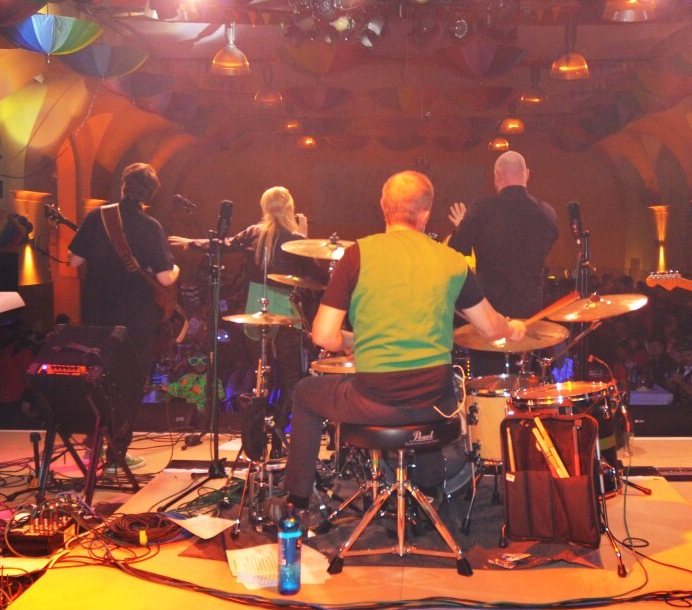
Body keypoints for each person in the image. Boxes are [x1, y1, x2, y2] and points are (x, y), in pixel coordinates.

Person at [281, 172, 527, 524]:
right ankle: (429, 489)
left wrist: (354, 342)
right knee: (434, 389)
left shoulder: (357, 255)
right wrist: (513, 327)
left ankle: (296, 504)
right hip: (433, 403)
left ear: (384, 207)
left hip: (374, 401)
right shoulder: (450, 260)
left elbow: (323, 336)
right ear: (425, 214)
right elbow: (490, 328)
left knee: (306, 393)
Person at [171, 185, 315, 437]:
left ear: (264, 208)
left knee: (260, 373)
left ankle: (255, 433)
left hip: (256, 307)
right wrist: (304, 236)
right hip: (286, 307)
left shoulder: (253, 233)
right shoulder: (295, 238)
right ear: (290, 208)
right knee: (291, 377)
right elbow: (314, 275)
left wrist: (191, 243)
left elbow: (222, 244)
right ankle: (279, 431)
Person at [69, 163, 180, 473]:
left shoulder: (97, 216)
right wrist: (176, 269)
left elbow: (74, 260)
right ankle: (117, 453)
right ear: (150, 195)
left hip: (97, 313)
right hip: (135, 316)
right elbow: (165, 278)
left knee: (97, 376)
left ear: (123, 186)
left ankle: (93, 442)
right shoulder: (150, 226)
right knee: (129, 380)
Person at [447, 150, 559, 319]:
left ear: (497, 175)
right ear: (527, 174)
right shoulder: (547, 213)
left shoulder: (481, 208)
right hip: (530, 313)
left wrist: (462, 226)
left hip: (491, 314)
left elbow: (456, 249)